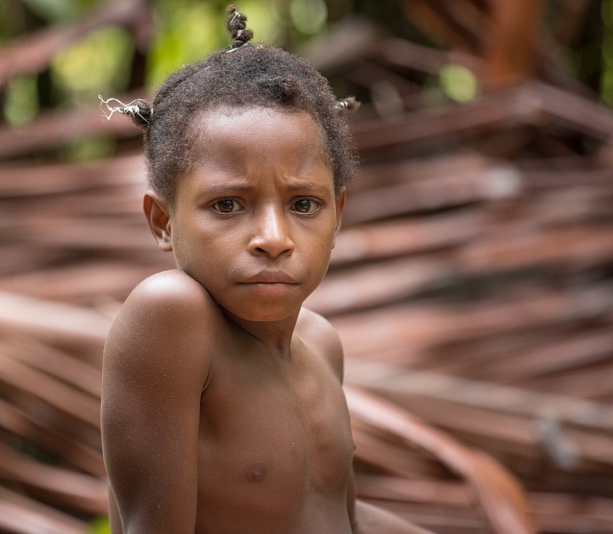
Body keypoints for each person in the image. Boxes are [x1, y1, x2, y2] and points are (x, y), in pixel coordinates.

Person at [100, 6, 433, 533]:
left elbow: (326, 515)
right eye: (228, 205)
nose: (274, 240)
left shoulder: (322, 344)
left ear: (338, 214)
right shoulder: (172, 315)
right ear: (163, 221)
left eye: (304, 205)